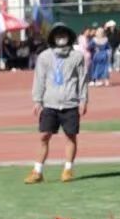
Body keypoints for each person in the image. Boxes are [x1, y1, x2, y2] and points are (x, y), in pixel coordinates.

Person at [26, 23, 89, 184]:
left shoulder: (77, 56)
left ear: (69, 37)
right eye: (58, 35)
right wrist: (37, 100)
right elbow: (39, 79)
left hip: (70, 103)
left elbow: (82, 79)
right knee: (44, 136)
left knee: (70, 136)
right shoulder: (44, 57)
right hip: (50, 103)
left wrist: (83, 100)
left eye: (64, 34)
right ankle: (37, 171)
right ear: (52, 38)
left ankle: (68, 169)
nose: (61, 38)